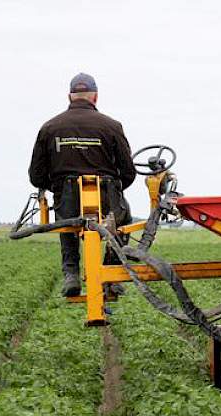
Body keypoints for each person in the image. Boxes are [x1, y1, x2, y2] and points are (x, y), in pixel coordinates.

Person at [28, 73, 136, 297]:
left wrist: (59, 187)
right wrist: (114, 188)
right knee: (122, 219)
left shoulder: (49, 128)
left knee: (68, 224)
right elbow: (128, 172)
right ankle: (111, 274)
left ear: (69, 96)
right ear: (95, 97)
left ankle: (71, 275)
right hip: (107, 198)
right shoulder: (112, 126)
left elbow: (36, 176)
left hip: (66, 197)